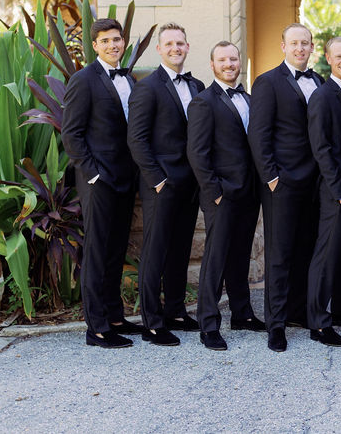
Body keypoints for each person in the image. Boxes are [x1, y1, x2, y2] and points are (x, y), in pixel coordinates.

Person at [127, 23, 206, 346]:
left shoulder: (198, 85)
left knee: (180, 250)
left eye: (180, 43)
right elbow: (137, 139)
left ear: (188, 47)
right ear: (159, 49)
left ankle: (175, 310)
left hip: (191, 183)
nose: (175, 48)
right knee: (155, 252)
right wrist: (157, 180)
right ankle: (153, 321)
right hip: (161, 183)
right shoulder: (147, 88)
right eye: (169, 43)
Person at [62, 18, 140, 349]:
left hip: (126, 178)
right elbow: (71, 133)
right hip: (98, 181)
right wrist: (93, 174)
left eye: (117, 39)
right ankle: (96, 328)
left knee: (115, 250)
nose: (113, 45)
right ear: (95, 45)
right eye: (105, 41)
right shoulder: (83, 80)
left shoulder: (131, 80)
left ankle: (115, 316)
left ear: (124, 42)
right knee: (96, 252)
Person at [249, 23, 325, 352]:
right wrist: (271, 176)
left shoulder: (320, 81)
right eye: (294, 43)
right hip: (282, 182)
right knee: (279, 255)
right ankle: (275, 324)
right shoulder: (267, 82)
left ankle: (298, 312)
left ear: (311, 48)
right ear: (283, 46)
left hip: (315, 181)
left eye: (305, 43)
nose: (299, 48)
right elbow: (259, 134)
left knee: (306, 250)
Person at [186, 41, 261, 351]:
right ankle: (209, 323)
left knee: (241, 255)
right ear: (212, 64)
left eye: (234, 58)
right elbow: (197, 152)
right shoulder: (203, 102)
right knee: (215, 260)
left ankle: (242, 313)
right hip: (222, 194)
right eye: (223, 60)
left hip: (249, 191)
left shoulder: (249, 98)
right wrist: (213, 192)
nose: (230, 64)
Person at [306, 37, 341, 347]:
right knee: (326, 255)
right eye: (338, 56)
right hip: (336, 189)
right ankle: (318, 321)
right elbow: (321, 148)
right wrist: (338, 189)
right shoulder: (322, 95)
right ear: (328, 58)